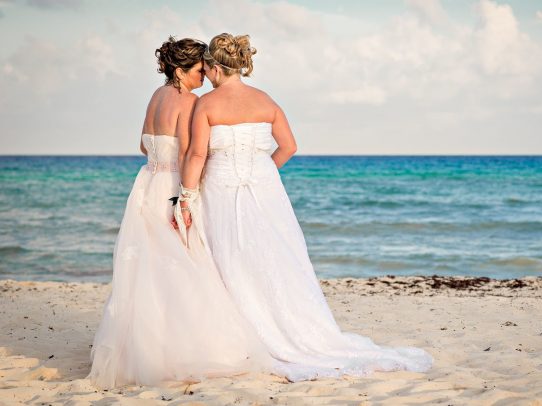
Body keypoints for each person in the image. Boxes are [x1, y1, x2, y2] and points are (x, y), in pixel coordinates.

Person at [178, 33, 433, 382]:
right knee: (273, 258)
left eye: (206, 68)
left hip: (221, 190)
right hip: (265, 190)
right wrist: (262, 171)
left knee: (231, 259)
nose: (205, 75)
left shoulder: (206, 105)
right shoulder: (267, 101)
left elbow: (196, 155)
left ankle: (241, 337)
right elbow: (289, 147)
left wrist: (185, 197)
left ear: (216, 69)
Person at [87, 36, 272, 389]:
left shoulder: (156, 97)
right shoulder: (190, 103)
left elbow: (143, 143)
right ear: (181, 70)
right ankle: (181, 349)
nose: (205, 75)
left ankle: (143, 349)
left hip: (147, 184)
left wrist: (161, 158)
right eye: (200, 69)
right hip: (173, 188)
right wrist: (192, 193)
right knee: (187, 261)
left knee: (151, 267)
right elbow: (190, 153)